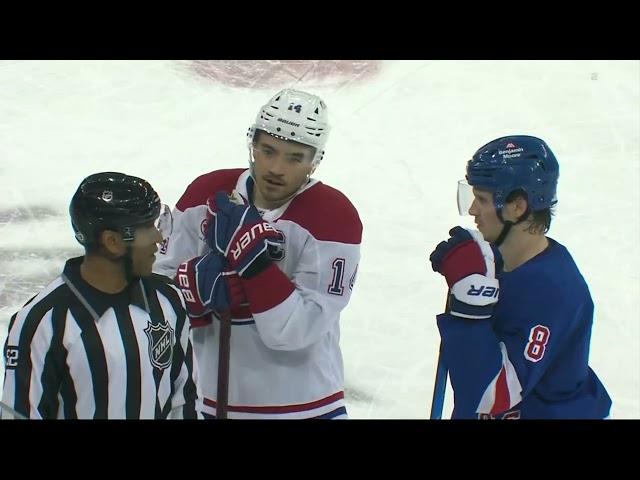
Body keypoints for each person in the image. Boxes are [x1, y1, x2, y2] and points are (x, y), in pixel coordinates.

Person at [154, 88, 362, 419]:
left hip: (307, 408)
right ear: (252, 144)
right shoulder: (205, 194)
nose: (277, 168)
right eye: (268, 150)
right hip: (205, 402)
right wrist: (191, 290)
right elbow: (155, 293)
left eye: (295, 158)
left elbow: (294, 330)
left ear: (315, 161)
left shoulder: (333, 217)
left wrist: (254, 265)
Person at [429, 135, 612, 419]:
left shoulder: (555, 291)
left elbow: (494, 395)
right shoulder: (490, 261)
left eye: (482, 199)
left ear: (517, 207)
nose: (473, 210)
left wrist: (470, 310)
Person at [1, 172, 202, 419]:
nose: (158, 238)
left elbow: (185, 402)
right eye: (148, 227)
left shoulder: (168, 300)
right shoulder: (43, 321)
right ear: (113, 241)